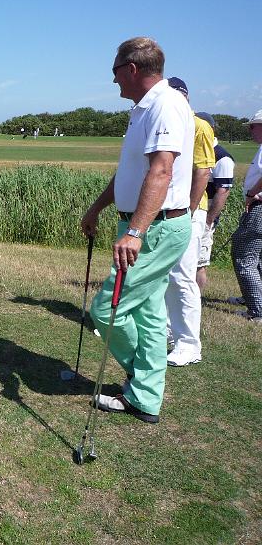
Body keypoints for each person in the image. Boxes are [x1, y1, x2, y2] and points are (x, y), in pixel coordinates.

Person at [81, 37, 193, 424]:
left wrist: (136, 232)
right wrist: (98, 207)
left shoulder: (164, 105)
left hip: (154, 228)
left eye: (114, 72)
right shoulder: (143, 109)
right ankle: (145, 398)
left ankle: (141, 379)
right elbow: (132, 173)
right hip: (145, 223)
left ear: (130, 69)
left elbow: (161, 172)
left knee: (105, 310)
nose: (113, 82)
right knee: (146, 315)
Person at [164, 79, 215, 367]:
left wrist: (188, 211)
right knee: (168, 276)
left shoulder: (198, 125)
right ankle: (171, 332)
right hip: (171, 210)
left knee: (183, 276)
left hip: (188, 211)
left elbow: (203, 171)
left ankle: (189, 344)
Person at [196, 113, 235, 292]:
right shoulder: (197, 151)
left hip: (205, 214)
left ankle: (195, 299)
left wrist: (209, 220)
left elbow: (223, 192)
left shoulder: (222, 157)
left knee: (199, 262)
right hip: (194, 211)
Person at [231, 109, 262, 322]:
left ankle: (257, 310)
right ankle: (254, 298)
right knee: (258, 259)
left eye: (253, 126)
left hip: (259, 205)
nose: (250, 130)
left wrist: (251, 194)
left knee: (245, 257)